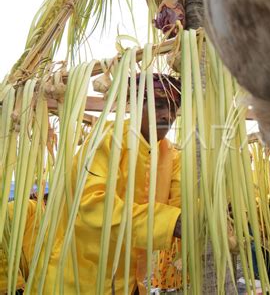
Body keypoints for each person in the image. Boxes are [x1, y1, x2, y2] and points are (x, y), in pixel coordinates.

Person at [40, 73, 183, 294]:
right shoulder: (107, 138)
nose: (168, 115)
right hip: (79, 282)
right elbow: (93, 205)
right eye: (160, 105)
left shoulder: (171, 155)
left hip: (132, 283)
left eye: (174, 108)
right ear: (135, 105)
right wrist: (171, 222)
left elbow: (181, 204)